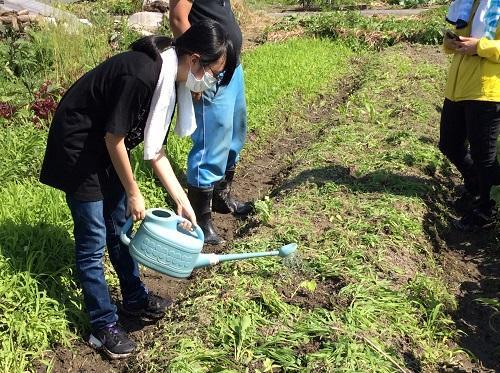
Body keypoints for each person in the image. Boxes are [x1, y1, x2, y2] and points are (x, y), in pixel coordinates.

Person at [39, 20, 236, 359]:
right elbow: (114, 137)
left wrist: (182, 201)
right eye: (211, 73)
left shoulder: (170, 80)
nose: (209, 81)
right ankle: (102, 325)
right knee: (93, 237)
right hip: (79, 148)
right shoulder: (143, 74)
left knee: (120, 226)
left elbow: (154, 149)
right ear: (193, 59)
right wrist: (133, 191)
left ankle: (134, 298)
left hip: (104, 146)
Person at [169, 0, 253, 245]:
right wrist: (198, 71)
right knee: (211, 140)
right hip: (209, 69)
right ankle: (200, 218)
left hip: (230, 68)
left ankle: (220, 195)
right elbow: (177, 18)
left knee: (235, 132)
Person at [439, 0, 500, 231]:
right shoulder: (472, 2)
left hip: (488, 90)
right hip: (458, 88)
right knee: (449, 144)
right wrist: (451, 43)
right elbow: (462, 37)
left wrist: (480, 47)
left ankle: (486, 211)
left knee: (484, 156)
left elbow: (482, 45)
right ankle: (476, 185)